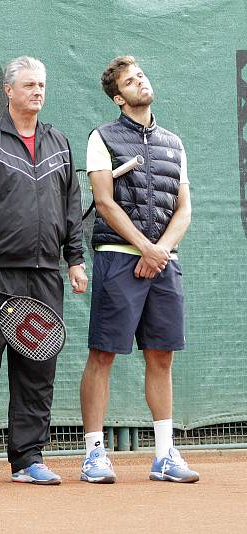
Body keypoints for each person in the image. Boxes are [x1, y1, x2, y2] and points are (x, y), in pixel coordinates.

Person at [0, 56, 87, 487]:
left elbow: (70, 207)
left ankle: (29, 457)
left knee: (37, 369)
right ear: (8, 90)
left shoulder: (60, 142)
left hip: (46, 274)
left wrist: (75, 259)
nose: (38, 92)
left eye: (42, 85)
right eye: (29, 84)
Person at [78, 56, 197, 484]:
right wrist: (143, 247)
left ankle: (165, 455)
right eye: (130, 81)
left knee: (161, 356)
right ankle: (94, 454)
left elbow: (183, 209)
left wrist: (159, 251)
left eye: (142, 76)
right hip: (117, 257)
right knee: (103, 354)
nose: (140, 83)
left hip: (163, 262)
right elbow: (105, 201)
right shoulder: (102, 138)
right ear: (118, 97)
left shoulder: (174, 143)